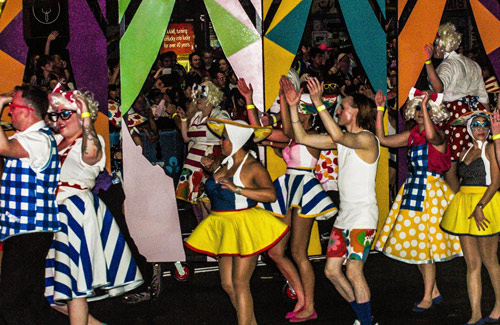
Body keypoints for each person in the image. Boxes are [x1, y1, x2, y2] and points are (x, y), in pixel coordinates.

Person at [239, 77, 337, 322]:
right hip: (288, 188)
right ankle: (302, 298)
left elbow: (292, 130)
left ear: (311, 116)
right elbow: (258, 135)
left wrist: (286, 101)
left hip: (304, 188)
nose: (300, 115)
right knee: (275, 251)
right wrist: (249, 102)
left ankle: (310, 306)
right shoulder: (291, 135)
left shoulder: (311, 135)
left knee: (298, 251)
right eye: (298, 110)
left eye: (303, 111)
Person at [44, 84, 143, 325]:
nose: (59, 120)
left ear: (82, 114)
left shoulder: (91, 141)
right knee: (53, 295)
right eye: (56, 115)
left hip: (75, 211)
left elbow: (91, 155)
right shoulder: (55, 141)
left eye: (66, 113)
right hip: (55, 214)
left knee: (73, 290)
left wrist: (86, 116)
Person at [287, 77, 379, 325]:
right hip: (344, 218)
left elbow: (338, 137)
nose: (339, 110)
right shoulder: (343, 141)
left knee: (353, 270)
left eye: (343, 107)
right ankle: (365, 318)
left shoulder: (368, 139)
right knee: (331, 271)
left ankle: (367, 321)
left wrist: (318, 102)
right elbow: (302, 138)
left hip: (363, 218)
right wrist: (294, 108)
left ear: (357, 112)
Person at [185, 118, 289, 325]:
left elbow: (270, 195)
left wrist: (238, 189)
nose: (221, 142)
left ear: (236, 140)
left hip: (244, 225)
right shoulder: (225, 162)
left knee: (240, 284)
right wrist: (210, 168)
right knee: (228, 284)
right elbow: (219, 179)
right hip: (223, 226)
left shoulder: (252, 166)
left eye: (224, 138)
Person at [374, 89, 462, 312]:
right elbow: (384, 140)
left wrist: (425, 106)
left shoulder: (440, 135)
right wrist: (380, 110)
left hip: (432, 193)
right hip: (413, 189)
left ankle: (428, 297)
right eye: (419, 109)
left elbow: (432, 137)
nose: (422, 114)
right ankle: (433, 291)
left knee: (427, 248)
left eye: (428, 110)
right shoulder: (412, 135)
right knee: (417, 245)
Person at [0, 86, 61, 324]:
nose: (9, 113)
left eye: (13, 108)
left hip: (30, 229)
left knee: (12, 300)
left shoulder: (38, 139)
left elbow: (3, 148)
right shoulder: (29, 139)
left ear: (27, 112)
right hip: (25, 230)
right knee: (30, 298)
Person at [440, 111, 500, 325]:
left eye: (484, 125)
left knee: (490, 260)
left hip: (486, 202)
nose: (481, 129)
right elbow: (453, 175)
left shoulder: (493, 148)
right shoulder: (465, 151)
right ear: (468, 129)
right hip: (465, 204)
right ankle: (475, 314)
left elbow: (496, 181)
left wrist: (480, 206)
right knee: (472, 263)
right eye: (476, 125)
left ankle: (499, 306)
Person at [424, 22, 489, 193]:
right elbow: (484, 97)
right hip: (477, 116)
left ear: (442, 44)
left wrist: (428, 62)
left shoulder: (447, 65)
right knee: (475, 161)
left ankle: (455, 205)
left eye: (436, 44)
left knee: (451, 168)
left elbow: (438, 88)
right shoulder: (473, 64)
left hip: (456, 116)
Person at [175, 81, 230, 221]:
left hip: (209, 161)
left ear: (211, 98)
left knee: (208, 201)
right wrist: (183, 120)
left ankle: (217, 231)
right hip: (193, 162)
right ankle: (203, 235)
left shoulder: (220, 114)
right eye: (197, 96)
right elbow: (187, 139)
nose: (198, 99)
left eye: (202, 96)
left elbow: (227, 137)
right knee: (197, 201)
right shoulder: (196, 116)